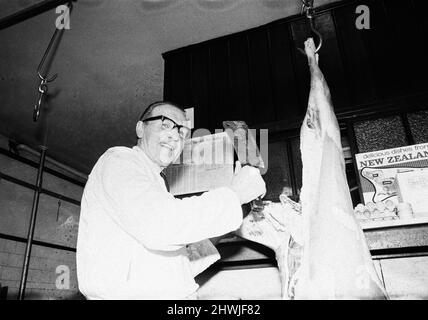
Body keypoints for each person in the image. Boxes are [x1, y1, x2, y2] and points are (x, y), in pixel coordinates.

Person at [76, 101, 266, 299]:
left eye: (183, 133)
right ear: (141, 129)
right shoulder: (119, 160)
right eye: (165, 124)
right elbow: (162, 226)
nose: (175, 136)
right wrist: (235, 194)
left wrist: (237, 206)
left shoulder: (156, 187)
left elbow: (177, 265)